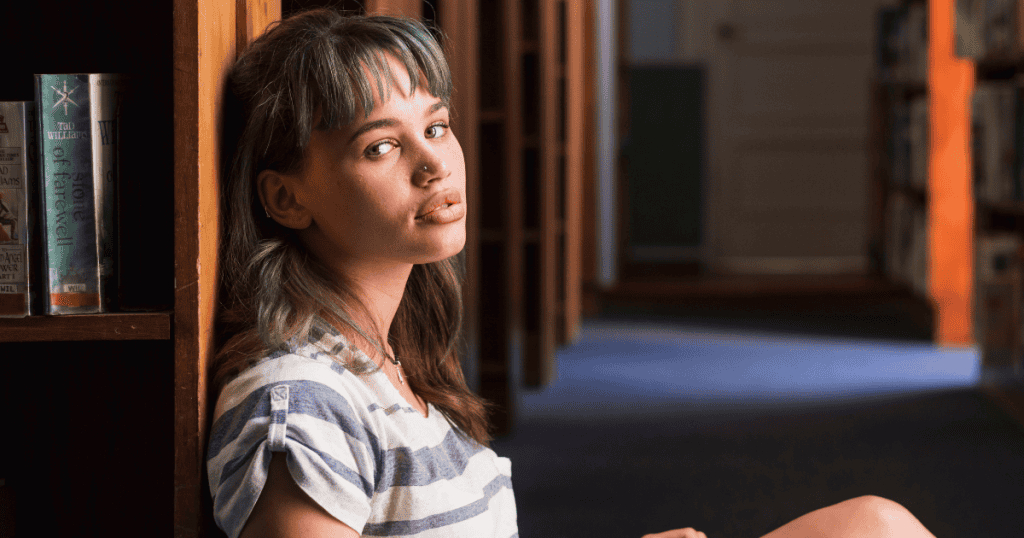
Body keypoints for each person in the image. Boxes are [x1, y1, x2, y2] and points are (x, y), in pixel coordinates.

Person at [205, 8, 938, 538]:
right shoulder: (299, 405)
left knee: (873, 524)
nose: (434, 162)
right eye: (378, 147)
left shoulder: (387, 364)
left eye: (434, 126)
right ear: (286, 197)